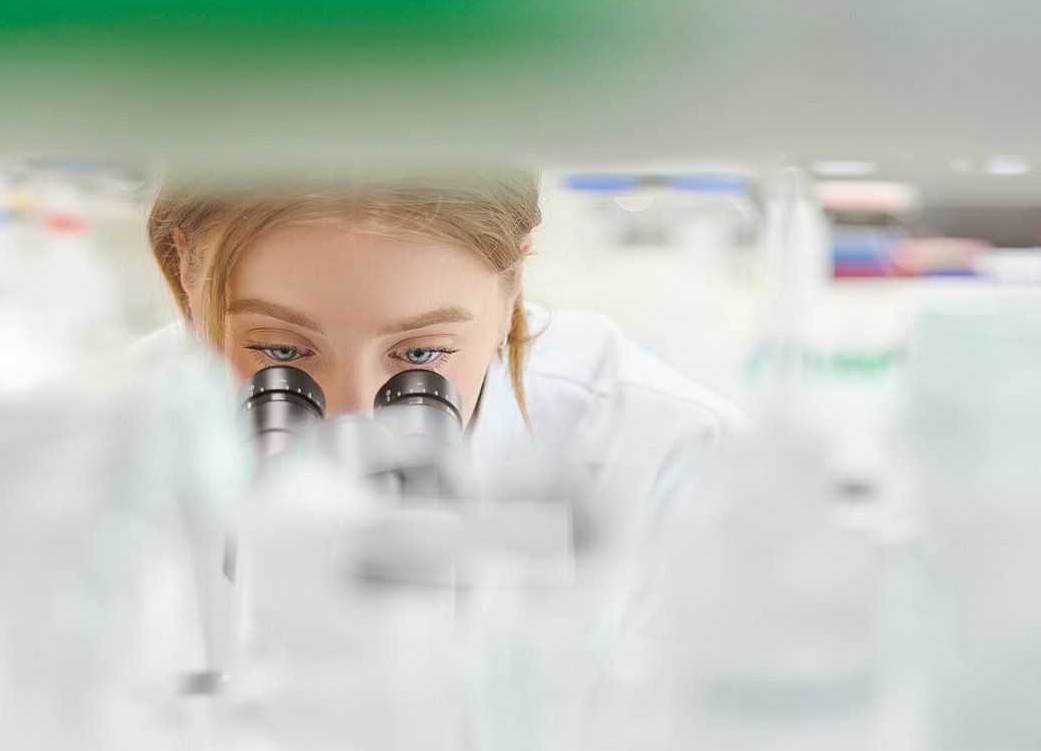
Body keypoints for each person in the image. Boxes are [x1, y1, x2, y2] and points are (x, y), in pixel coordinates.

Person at [143, 166, 742, 541]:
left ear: (514, 279)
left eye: (422, 357)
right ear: (186, 264)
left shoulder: (665, 451)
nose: (353, 425)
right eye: (280, 351)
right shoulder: (93, 454)